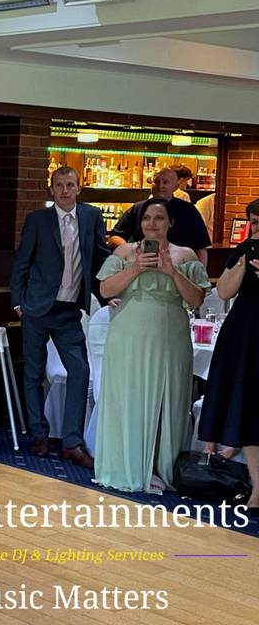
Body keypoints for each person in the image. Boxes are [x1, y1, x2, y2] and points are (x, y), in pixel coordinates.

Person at [94, 198, 209, 494]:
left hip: (170, 332)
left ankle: (159, 467)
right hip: (128, 332)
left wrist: (172, 272)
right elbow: (105, 289)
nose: (152, 224)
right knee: (128, 396)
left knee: (165, 399)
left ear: (170, 222)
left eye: (159, 218)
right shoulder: (123, 252)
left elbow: (196, 301)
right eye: (147, 218)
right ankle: (125, 464)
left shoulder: (184, 256)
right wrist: (135, 269)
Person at [11, 166, 110, 467]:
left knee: (79, 371)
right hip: (37, 308)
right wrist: (18, 302)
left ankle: (72, 442)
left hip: (70, 311)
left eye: (70, 185)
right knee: (33, 372)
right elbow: (21, 263)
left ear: (79, 188)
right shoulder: (37, 220)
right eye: (59, 185)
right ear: (51, 189)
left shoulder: (92, 217)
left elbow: (100, 257)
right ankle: (39, 434)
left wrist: (109, 292)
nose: (65, 190)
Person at [198, 198, 259, 517]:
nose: (258, 229)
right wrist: (243, 264)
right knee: (248, 405)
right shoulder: (246, 250)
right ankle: (258, 488)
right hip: (246, 332)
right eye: (255, 223)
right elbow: (223, 292)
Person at [110, 167, 210, 264]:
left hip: (179, 271)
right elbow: (115, 237)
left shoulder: (189, 211)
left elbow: (201, 248)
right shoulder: (137, 209)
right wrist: (132, 251)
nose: (160, 186)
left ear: (175, 187)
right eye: (156, 181)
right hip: (143, 270)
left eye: (165, 182)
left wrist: (201, 276)